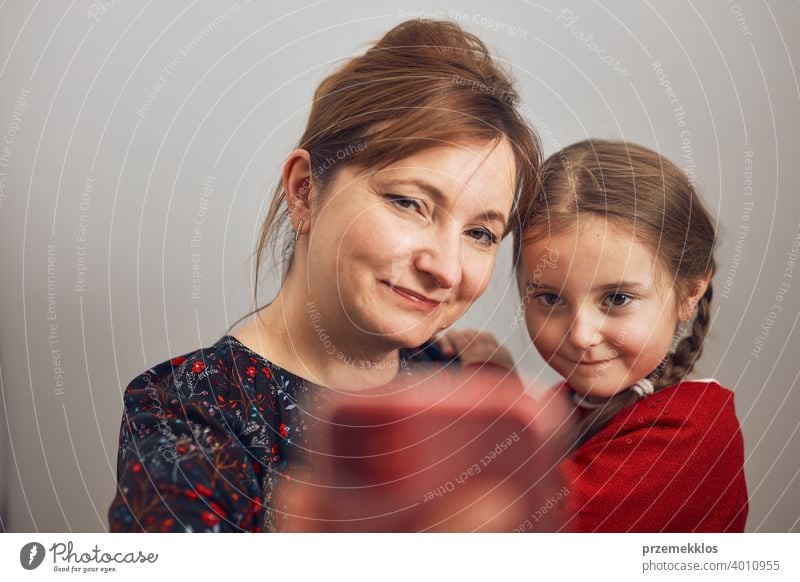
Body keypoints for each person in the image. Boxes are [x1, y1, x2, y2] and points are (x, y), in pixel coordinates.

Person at [107, 19, 541, 532]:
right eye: (409, 203)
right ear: (304, 191)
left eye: (481, 234)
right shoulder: (186, 412)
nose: (445, 269)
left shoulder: (466, 391)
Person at [440, 139, 749, 532]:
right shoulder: (565, 402)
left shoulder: (693, 428)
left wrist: (491, 386)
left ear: (690, 292)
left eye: (617, 298)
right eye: (551, 298)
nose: (581, 335)